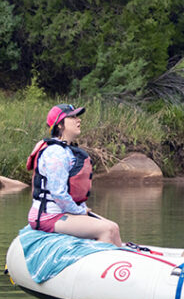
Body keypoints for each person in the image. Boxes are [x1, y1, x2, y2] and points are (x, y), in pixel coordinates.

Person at [26, 104, 124, 247]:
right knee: (107, 230)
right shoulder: (55, 153)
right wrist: (80, 211)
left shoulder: (67, 150)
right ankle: (99, 265)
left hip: (64, 214)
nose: (78, 120)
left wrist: (81, 209)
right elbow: (58, 193)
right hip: (48, 216)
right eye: (72, 117)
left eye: (77, 117)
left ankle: (120, 262)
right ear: (60, 125)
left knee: (114, 227)